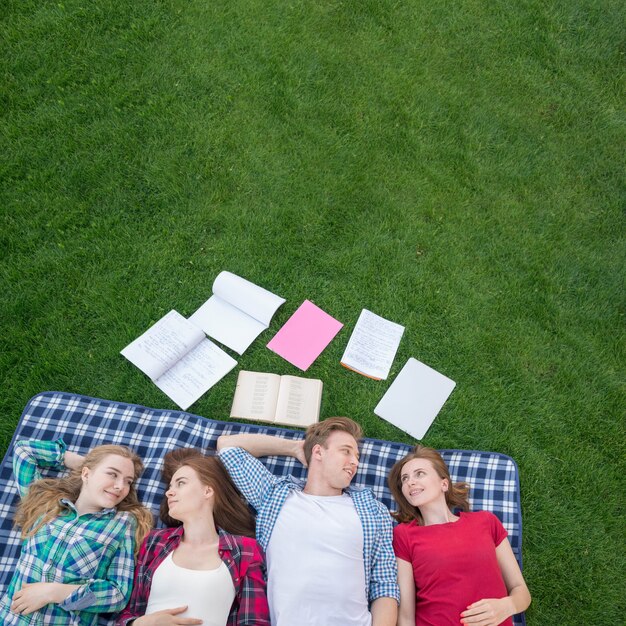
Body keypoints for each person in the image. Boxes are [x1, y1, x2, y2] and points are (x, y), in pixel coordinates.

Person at [216, 417, 399, 626]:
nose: (355, 462)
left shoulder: (374, 510)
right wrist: (295, 447)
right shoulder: (274, 495)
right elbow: (226, 446)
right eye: (346, 451)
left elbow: (384, 584)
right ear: (318, 452)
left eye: (357, 456)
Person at [0, 438, 153, 626]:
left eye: (128, 481)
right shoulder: (46, 504)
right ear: (86, 474)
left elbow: (117, 595)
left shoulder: (122, 524)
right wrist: (87, 463)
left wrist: (54, 592)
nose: (121, 486)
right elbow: (24, 451)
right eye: (112, 474)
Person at [117, 448, 270, 626]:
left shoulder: (245, 550)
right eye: (170, 486)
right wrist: (140, 623)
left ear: (208, 491)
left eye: (180, 483)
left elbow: (255, 621)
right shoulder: (155, 542)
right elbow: (125, 614)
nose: (169, 492)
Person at [388, 445, 531, 626]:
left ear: (444, 483)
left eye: (419, 474)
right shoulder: (404, 535)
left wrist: (506, 606)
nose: (410, 482)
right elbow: (406, 617)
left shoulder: (486, 522)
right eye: (405, 479)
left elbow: (521, 592)